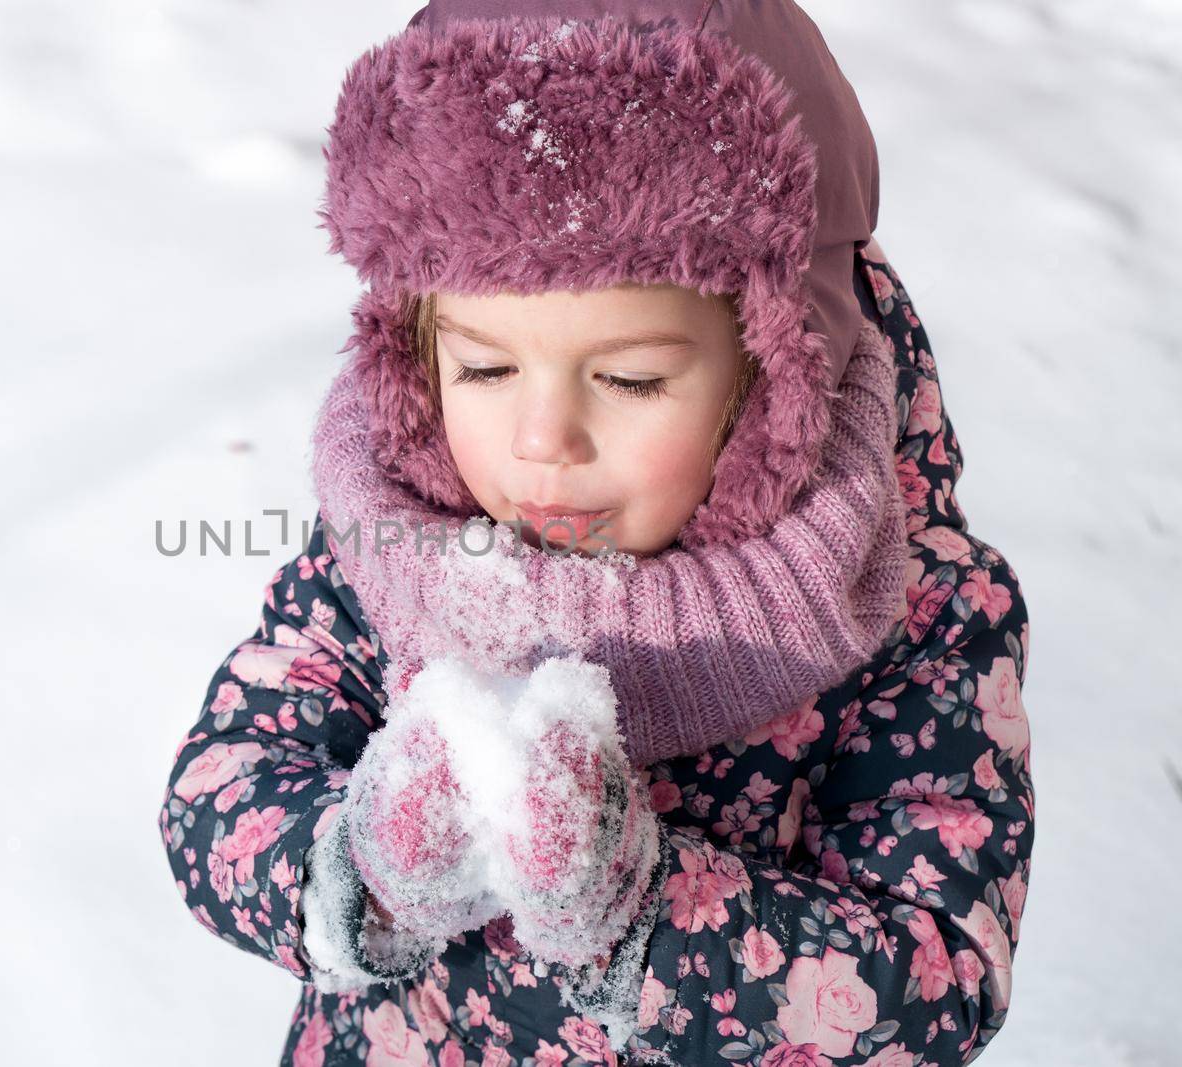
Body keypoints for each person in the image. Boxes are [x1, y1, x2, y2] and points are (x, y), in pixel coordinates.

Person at [157, 3, 1034, 1064]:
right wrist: (364, 861)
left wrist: (642, 913)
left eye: (628, 378)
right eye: (482, 367)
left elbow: (937, 977)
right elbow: (221, 787)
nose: (543, 440)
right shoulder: (392, 546)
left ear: (776, 370)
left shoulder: (905, 605)